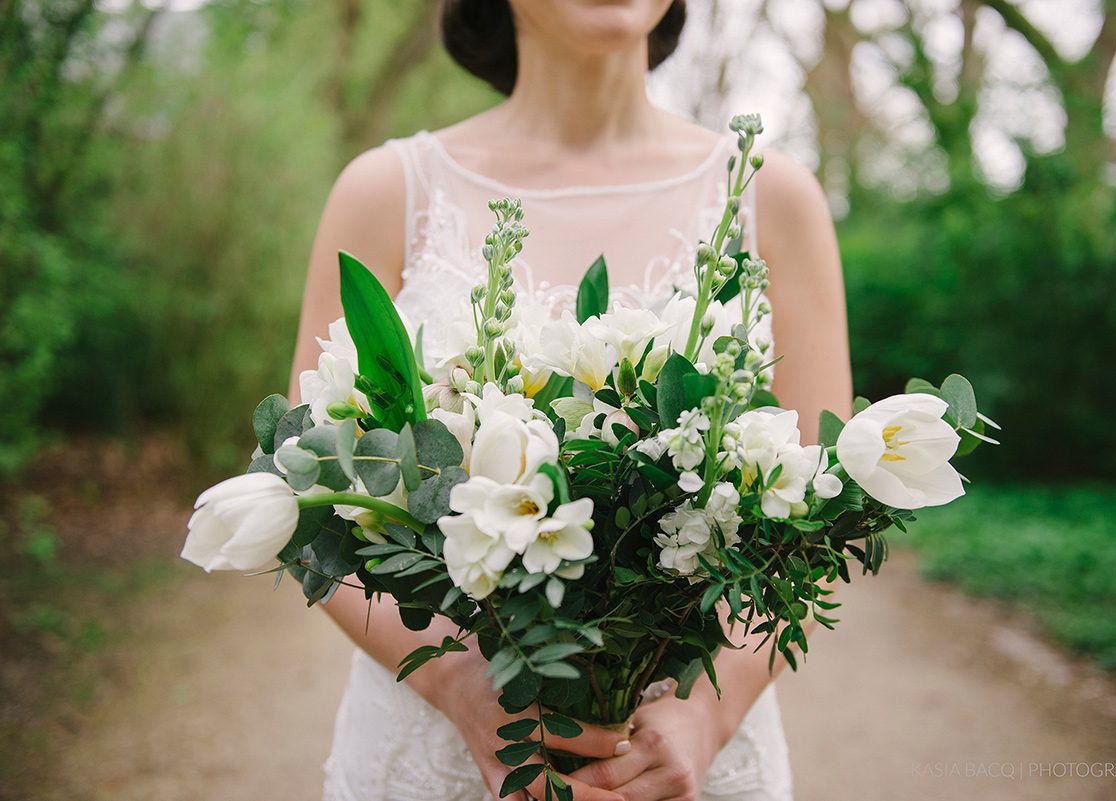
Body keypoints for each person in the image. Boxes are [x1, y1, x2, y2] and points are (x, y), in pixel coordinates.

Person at [287, 1, 853, 799]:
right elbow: (311, 511)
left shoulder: (773, 196)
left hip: (688, 767)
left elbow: (825, 518)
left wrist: (704, 717)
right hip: (437, 758)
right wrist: (460, 687)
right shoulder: (387, 192)